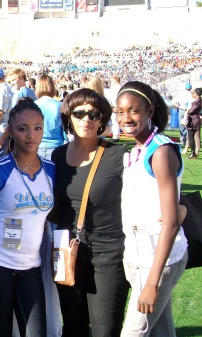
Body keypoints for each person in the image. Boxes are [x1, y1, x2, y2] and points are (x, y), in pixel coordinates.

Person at [50, 88, 129, 337]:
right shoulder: (58, 155)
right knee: (73, 328)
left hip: (108, 255)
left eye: (94, 114)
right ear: (68, 117)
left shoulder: (118, 155)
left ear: (102, 120)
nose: (86, 119)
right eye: (79, 113)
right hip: (67, 252)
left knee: (105, 331)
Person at [115, 81, 188, 337]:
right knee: (160, 333)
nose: (126, 118)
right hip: (139, 255)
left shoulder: (160, 151)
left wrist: (153, 283)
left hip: (159, 259)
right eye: (120, 112)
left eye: (134, 111)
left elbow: (170, 222)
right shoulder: (138, 149)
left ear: (149, 111)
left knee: (133, 333)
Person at [0, 97, 55, 337]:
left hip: (30, 268)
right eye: (23, 129)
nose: (31, 135)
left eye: (37, 128)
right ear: (11, 130)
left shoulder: (51, 170)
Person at [34, 74, 65, 159]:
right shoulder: (60, 106)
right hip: (56, 146)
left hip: (36, 146)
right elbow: (65, 131)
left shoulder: (32, 105)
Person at [185, 87, 201, 159]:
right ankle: (194, 152)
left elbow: (191, 111)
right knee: (194, 137)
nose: (193, 94)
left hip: (193, 120)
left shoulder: (196, 102)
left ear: (197, 94)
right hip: (196, 119)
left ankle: (193, 153)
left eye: (194, 93)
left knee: (191, 137)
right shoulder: (199, 101)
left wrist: (188, 111)